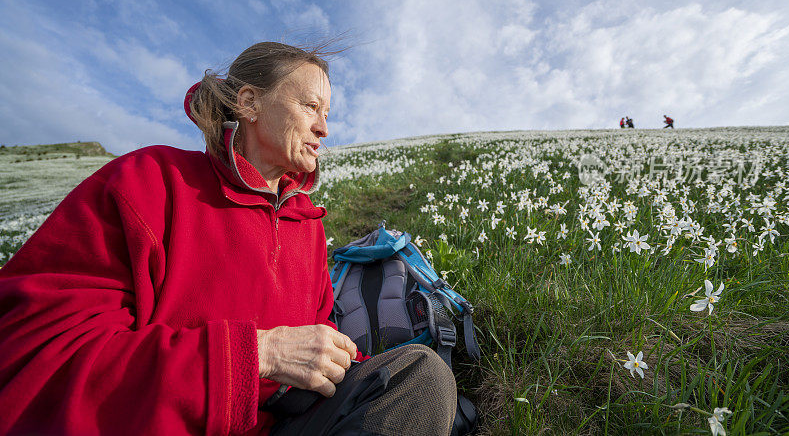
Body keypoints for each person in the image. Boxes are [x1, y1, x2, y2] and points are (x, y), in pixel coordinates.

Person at [0, 42, 457, 435]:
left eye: (327, 114)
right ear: (250, 102)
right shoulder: (148, 183)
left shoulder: (308, 226)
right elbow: (36, 358)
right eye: (310, 107)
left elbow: (314, 358)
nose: (324, 128)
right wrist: (256, 355)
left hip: (277, 423)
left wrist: (334, 364)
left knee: (419, 378)